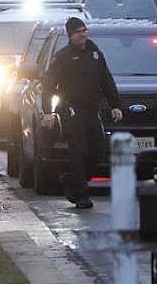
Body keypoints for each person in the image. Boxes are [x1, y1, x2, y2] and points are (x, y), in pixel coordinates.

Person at [41, 17, 122, 209]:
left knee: (98, 150)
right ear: (71, 35)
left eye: (84, 30)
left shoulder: (95, 54)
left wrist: (115, 105)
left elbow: (106, 80)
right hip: (71, 110)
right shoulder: (62, 57)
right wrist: (48, 112)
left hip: (91, 110)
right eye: (79, 32)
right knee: (78, 151)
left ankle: (72, 179)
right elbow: (49, 86)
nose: (83, 34)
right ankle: (82, 195)